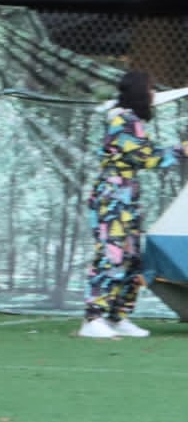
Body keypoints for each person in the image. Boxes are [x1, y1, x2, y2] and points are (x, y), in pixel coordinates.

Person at [80, 71, 188, 340]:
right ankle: (94, 317)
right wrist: (181, 150)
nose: (153, 95)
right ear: (140, 92)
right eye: (150, 89)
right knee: (112, 255)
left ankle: (117, 316)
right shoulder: (121, 119)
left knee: (130, 259)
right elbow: (145, 157)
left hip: (127, 196)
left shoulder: (131, 120)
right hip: (113, 196)